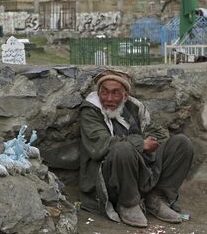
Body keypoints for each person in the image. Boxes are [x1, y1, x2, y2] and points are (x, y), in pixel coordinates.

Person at [78, 69, 194, 228]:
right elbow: (100, 145)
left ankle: (156, 198)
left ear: (125, 96)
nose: (109, 99)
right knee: (122, 149)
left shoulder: (134, 107)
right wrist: (141, 144)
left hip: (137, 165)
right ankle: (128, 203)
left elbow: (158, 133)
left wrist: (144, 144)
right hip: (108, 175)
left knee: (182, 144)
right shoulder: (90, 111)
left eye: (115, 93)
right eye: (104, 93)